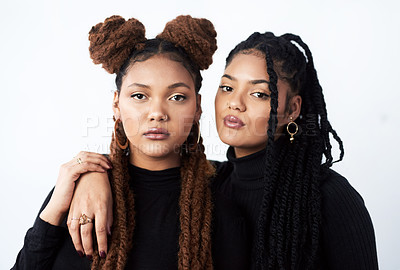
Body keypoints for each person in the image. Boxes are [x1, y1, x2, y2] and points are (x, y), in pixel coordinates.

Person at [67, 31, 379, 269]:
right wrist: (91, 175)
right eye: (227, 87)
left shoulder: (329, 196)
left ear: (292, 109)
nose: (235, 103)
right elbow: (150, 169)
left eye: (259, 93)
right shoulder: (214, 181)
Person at [12, 14, 219, 270]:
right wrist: (58, 205)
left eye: (177, 97)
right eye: (139, 95)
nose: (157, 113)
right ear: (116, 104)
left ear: (197, 107)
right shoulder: (76, 188)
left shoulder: (222, 186)